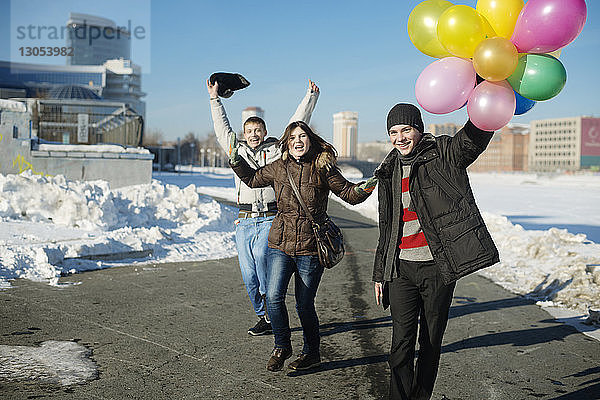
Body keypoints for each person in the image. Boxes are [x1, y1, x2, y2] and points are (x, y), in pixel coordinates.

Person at [372, 103, 499, 400]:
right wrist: (380, 273)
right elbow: (387, 227)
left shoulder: (444, 153)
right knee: (400, 345)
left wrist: (486, 90)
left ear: (419, 128)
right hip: (401, 270)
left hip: (437, 268)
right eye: (393, 132)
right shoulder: (388, 169)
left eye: (406, 130)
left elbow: (474, 137)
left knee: (430, 342)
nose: (400, 138)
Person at [229, 120, 377, 371]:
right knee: (274, 297)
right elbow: (253, 179)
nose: (298, 141)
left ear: (310, 140)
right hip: (280, 244)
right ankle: (282, 345)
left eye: (303, 136)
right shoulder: (278, 167)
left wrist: (368, 186)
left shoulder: (322, 167)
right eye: (293, 137)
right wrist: (236, 160)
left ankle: (311, 352)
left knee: (304, 304)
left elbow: (349, 193)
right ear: (287, 142)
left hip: (311, 247)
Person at [207, 79, 320, 336]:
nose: (254, 134)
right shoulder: (236, 149)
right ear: (244, 133)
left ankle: (272, 311)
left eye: (258, 130)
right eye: (249, 131)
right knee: (248, 276)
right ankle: (265, 315)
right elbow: (221, 128)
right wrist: (215, 99)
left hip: (269, 218)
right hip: (244, 221)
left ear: (265, 131)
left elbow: (295, 124)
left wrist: (310, 98)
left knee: (261, 262)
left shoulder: (276, 150)